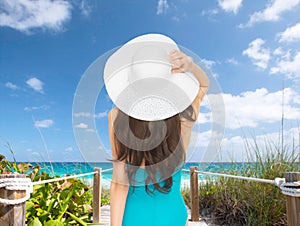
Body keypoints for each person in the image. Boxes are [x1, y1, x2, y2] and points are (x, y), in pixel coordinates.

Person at [104, 34, 209, 226]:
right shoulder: (183, 117)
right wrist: (190, 66)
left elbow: (119, 186)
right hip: (173, 217)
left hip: (133, 219)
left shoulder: (116, 117)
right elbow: (204, 85)